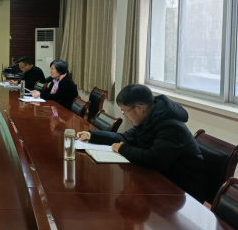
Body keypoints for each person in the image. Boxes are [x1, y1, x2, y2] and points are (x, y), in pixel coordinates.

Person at [77, 84, 206, 202]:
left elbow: (154, 159)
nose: (125, 116)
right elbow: (126, 137)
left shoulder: (171, 127)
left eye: (125, 111)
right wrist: (93, 136)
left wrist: (123, 149)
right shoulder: (149, 118)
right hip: (159, 179)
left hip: (182, 191)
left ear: (139, 108)